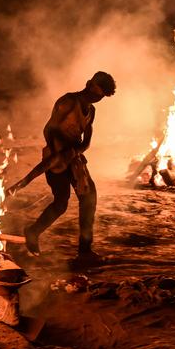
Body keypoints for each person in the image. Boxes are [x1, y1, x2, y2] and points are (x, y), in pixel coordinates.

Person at [23, 71, 116, 264]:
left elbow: (86, 141)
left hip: (73, 158)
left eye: (100, 97)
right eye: (94, 93)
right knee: (61, 202)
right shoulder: (67, 101)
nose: (96, 98)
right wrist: (60, 153)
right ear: (88, 83)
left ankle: (84, 251)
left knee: (89, 199)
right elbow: (49, 129)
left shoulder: (91, 111)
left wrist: (74, 152)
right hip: (55, 157)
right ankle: (33, 232)